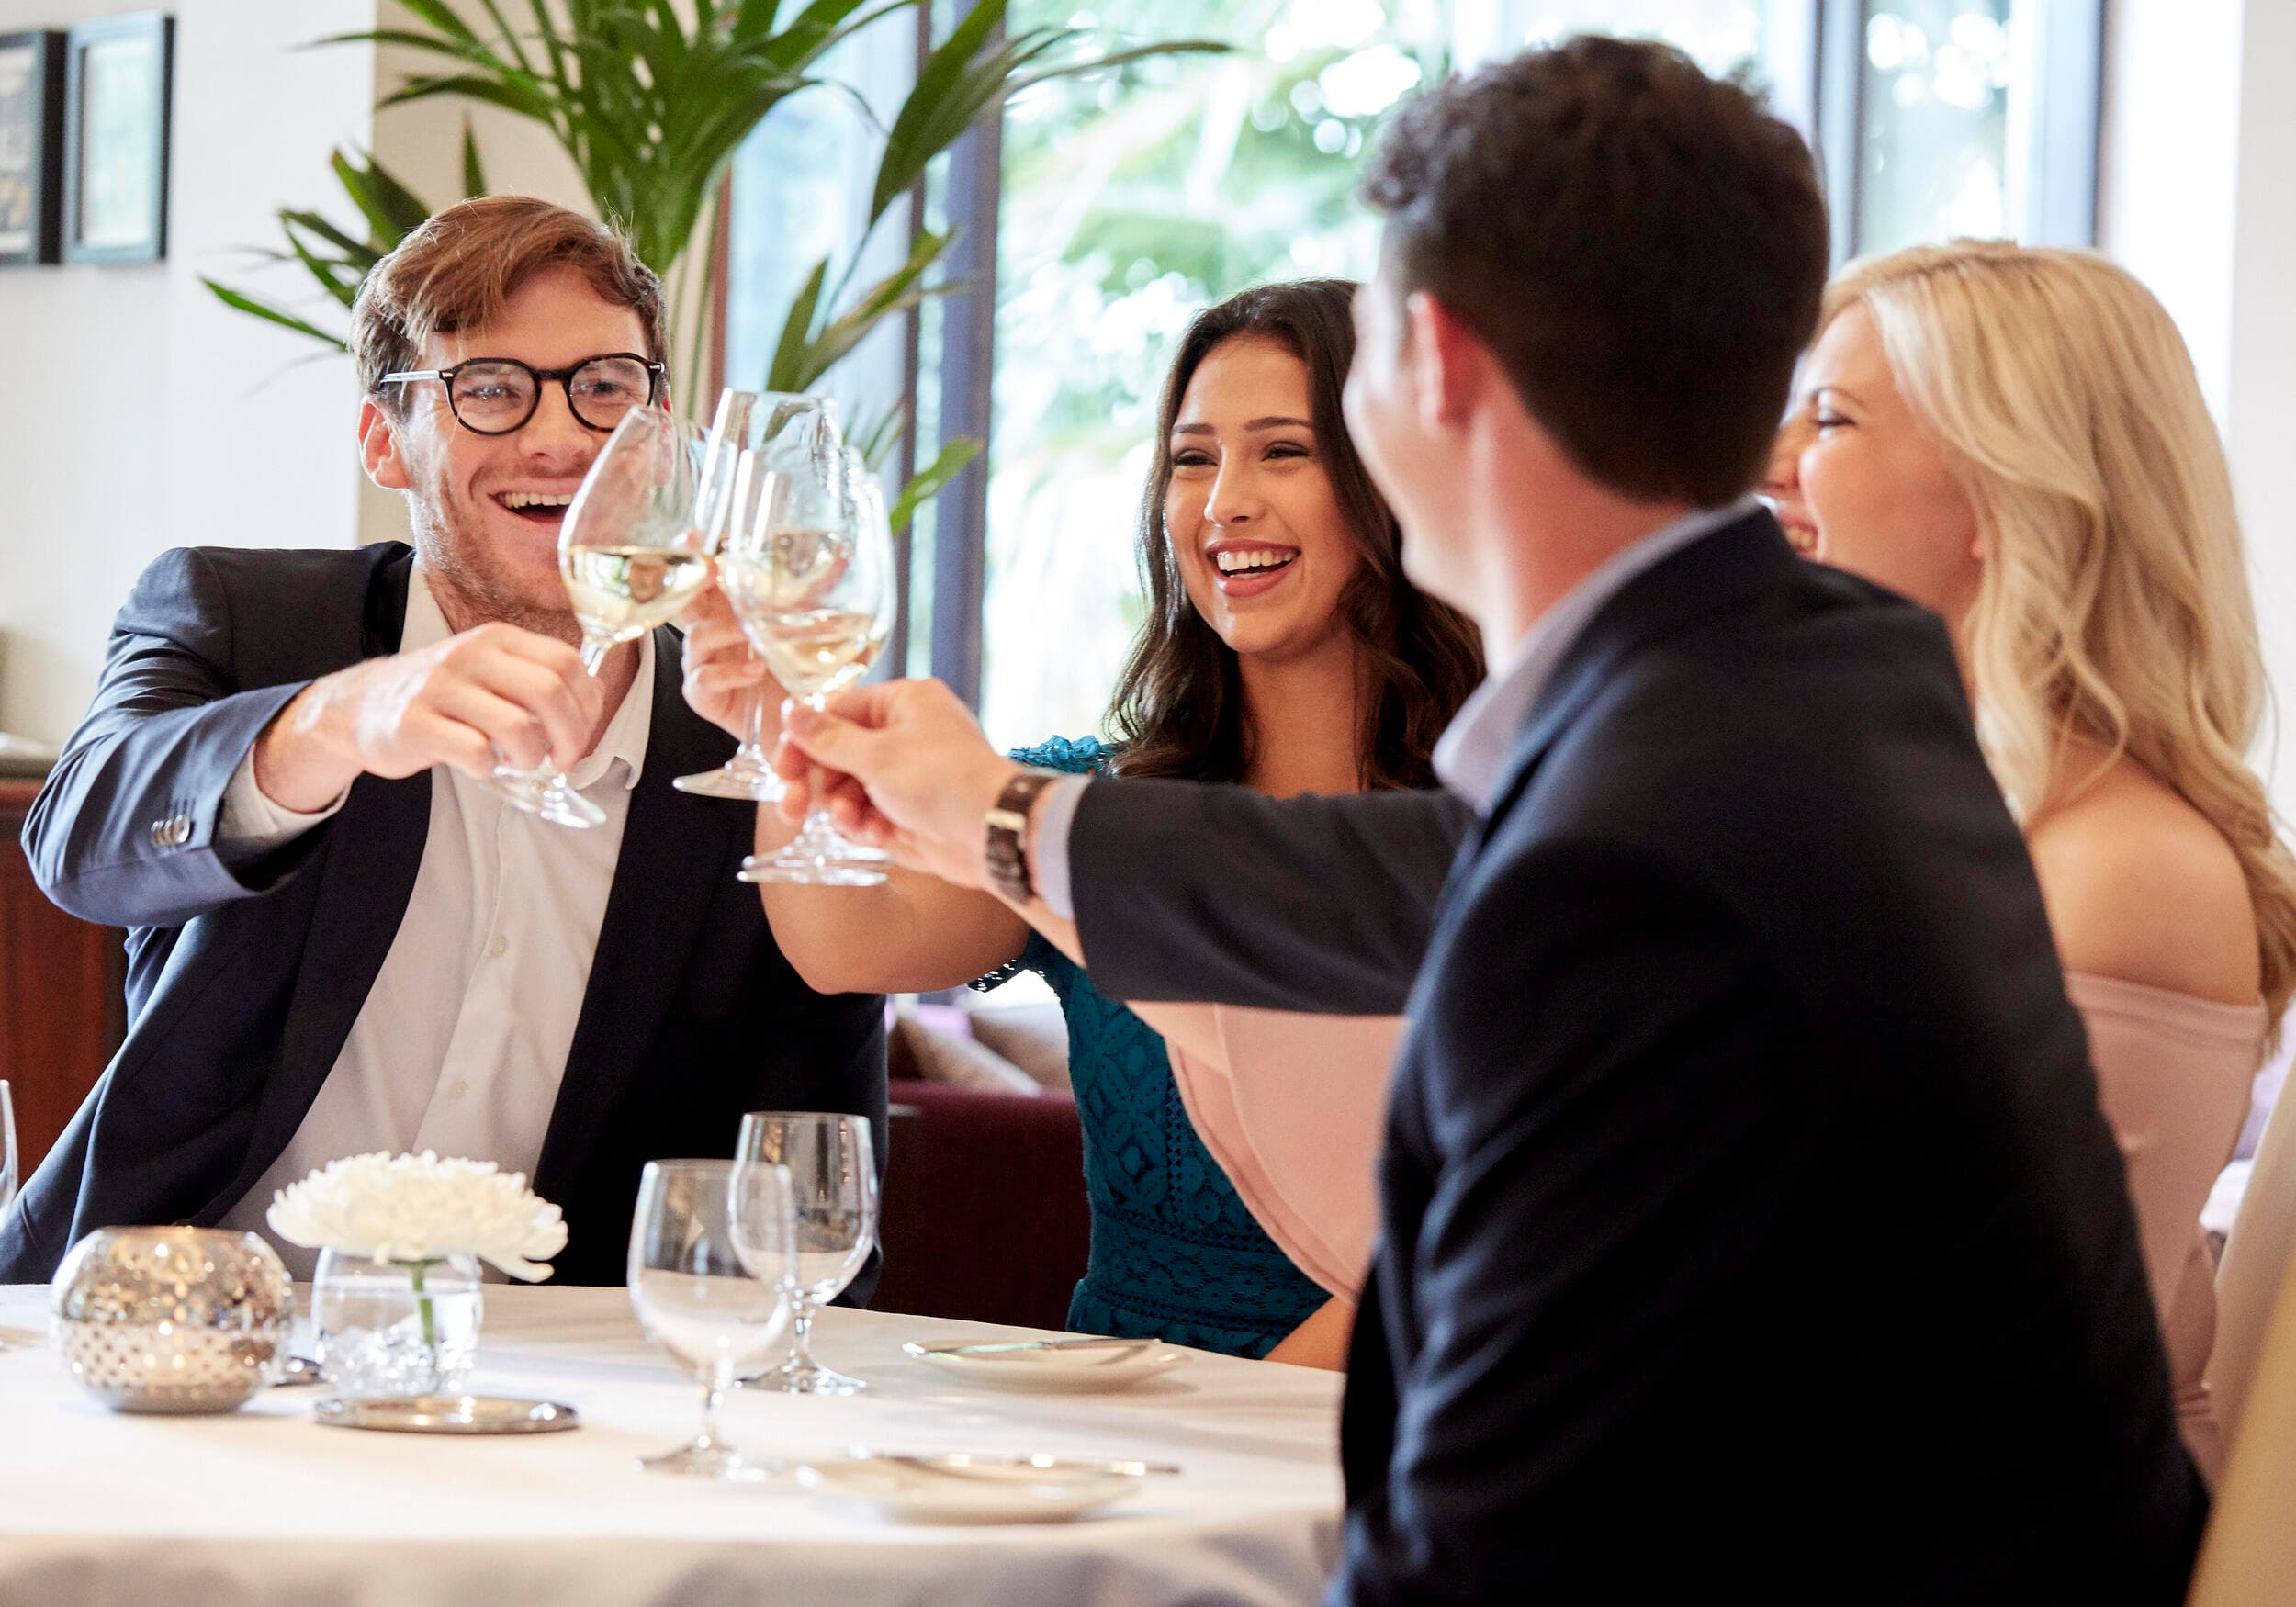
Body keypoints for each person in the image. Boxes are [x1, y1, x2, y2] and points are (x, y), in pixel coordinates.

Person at [767, 39, 2207, 1601]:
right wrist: (987, 811)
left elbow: (1485, 1533)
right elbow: (1419, 883)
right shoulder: (1821, 684)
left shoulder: (1642, 835)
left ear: (1432, 366)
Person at [0, 197, 885, 1287]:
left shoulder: (748, 743)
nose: (560, 438)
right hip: (184, 1339)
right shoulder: (241, 617)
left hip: (564, 1384)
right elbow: (79, 844)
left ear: (667, 433)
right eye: (490, 391)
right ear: (387, 441)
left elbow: (813, 1186)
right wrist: (344, 718)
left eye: (605, 387)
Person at [683, 279, 1481, 1363]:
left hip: (1386, 1403)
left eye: (1282, 452)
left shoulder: (1494, 825)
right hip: (1114, 1419)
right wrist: (779, 713)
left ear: (1390, 479)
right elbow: (842, 943)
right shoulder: (1086, 804)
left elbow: (1475, 1230)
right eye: (1193, 458)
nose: (1222, 503)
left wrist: (1244, 1431)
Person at [1768, 240, 2294, 1480]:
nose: (1774, 466)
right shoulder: (1936, 814)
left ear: (2003, 497)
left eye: (1831, 419)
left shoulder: (2124, 867)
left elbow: (1975, 1358)